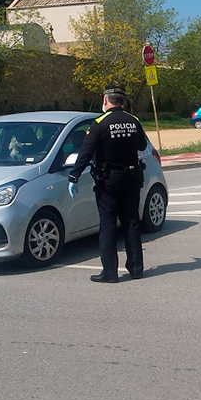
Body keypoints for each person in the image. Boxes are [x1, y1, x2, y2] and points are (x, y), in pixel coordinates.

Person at [68, 85, 149, 283]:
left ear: (105, 100)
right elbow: (142, 145)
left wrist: (74, 176)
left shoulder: (99, 123)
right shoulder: (133, 120)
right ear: (122, 101)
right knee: (131, 223)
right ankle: (136, 268)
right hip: (131, 178)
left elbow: (86, 152)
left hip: (109, 180)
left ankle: (110, 273)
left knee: (108, 225)